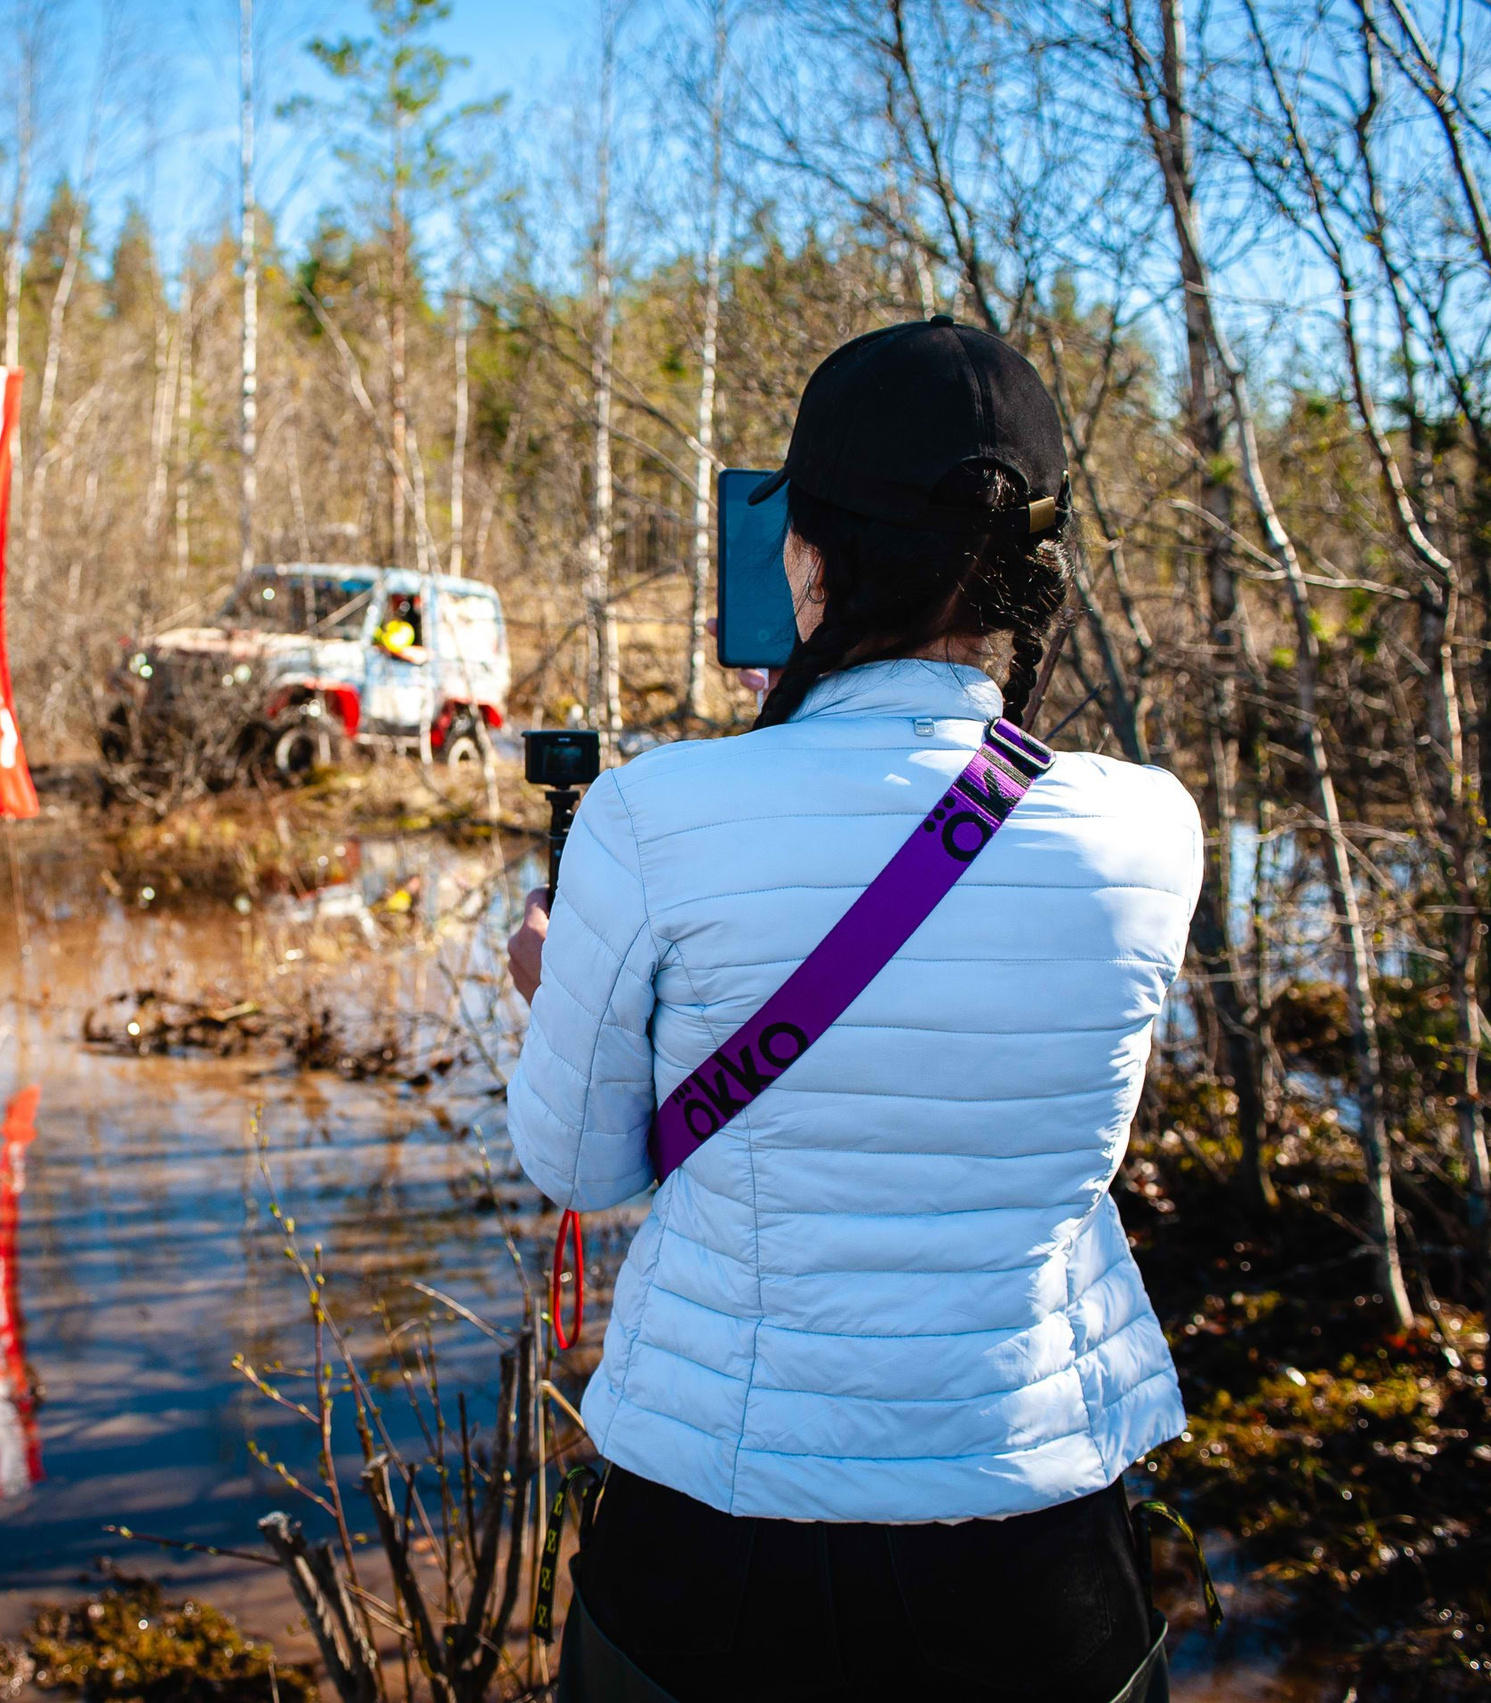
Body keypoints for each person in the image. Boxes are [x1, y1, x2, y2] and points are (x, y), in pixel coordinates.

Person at [507, 317, 1201, 1702]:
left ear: (805, 557)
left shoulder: (657, 814)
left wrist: (555, 998)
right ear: (1029, 572)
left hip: (717, 1533)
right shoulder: (1148, 828)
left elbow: (580, 1165)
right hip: (1037, 1542)